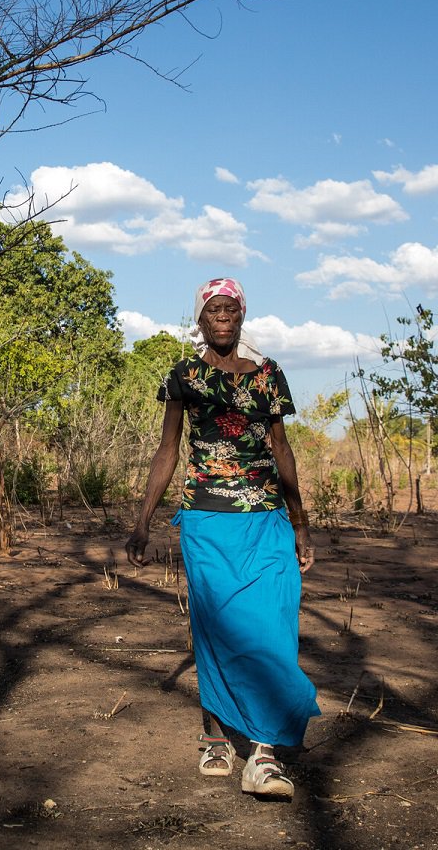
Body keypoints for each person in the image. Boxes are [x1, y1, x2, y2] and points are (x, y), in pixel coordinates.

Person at [126, 277, 319, 799]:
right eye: (214, 310)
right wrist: (143, 520)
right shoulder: (184, 375)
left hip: (267, 518)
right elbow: (168, 449)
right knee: (216, 625)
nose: (223, 317)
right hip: (207, 519)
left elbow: (282, 450)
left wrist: (300, 524)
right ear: (201, 318)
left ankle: (263, 754)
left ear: (242, 314)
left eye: (231, 309)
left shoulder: (268, 374)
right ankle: (215, 735)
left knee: (274, 624)